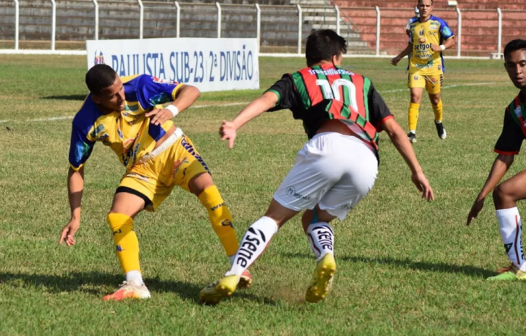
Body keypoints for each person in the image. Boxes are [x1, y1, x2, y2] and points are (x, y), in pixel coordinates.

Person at [199, 29, 434, 305]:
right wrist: (416, 170)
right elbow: (394, 130)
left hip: (328, 147)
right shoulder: (362, 82)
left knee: (274, 217)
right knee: (314, 218)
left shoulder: (298, 78)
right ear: (336, 58)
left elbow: (268, 100)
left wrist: (235, 124)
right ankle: (325, 257)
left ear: (309, 57)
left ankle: (234, 272)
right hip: (366, 160)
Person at [59, 64, 252, 301]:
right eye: (113, 95)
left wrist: (171, 110)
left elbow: (190, 90)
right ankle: (135, 285)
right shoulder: (85, 122)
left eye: (121, 89)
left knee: (207, 189)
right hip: (142, 170)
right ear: (97, 98)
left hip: (174, 150)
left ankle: (238, 266)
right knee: (117, 215)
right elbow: (76, 169)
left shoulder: (139, 86)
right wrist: (75, 216)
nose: (121, 97)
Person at [467, 39, 526, 281]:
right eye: (512, 66)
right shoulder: (515, 109)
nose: (518, 71)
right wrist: (481, 195)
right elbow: (505, 156)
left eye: (523, 64)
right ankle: (519, 267)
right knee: (503, 193)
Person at [391, 0, 456, 143]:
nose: (424, 8)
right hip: (416, 67)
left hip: (434, 67)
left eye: (427, 6)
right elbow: (411, 45)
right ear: (418, 7)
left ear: (432, 7)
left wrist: (441, 48)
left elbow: (451, 40)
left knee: (435, 99)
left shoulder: (439, 23)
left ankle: (438, 122)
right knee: (415, 96)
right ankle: (412, 133)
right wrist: (399, 56)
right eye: (422, 5)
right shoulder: (413, 24)